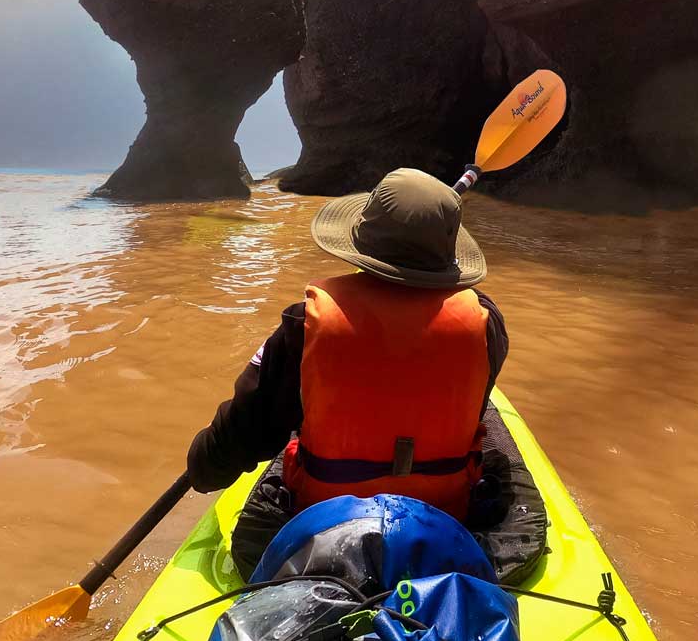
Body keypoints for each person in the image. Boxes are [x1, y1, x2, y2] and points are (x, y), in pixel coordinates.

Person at [187, 167, 508, 521]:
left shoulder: (303, 325)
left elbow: (236, 443)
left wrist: (203, 464)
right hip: (445, 510)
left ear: (360, 243)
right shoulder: (487, 324)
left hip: (326, 515)